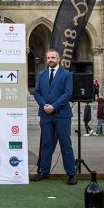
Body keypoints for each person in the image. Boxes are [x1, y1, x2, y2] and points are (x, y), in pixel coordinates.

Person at [32, 49, 77, 185]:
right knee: (46, 144)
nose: (50, 60)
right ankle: (43, 171)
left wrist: (54, 106)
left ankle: (71, 173)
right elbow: (36, 92)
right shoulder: (41, 74)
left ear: (58, 59)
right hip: (45, 114)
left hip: (62, 115)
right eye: (48, 58)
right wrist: (44, 105)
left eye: (53, 57)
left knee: (65, 144)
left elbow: (67, 93)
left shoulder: (66, 74)